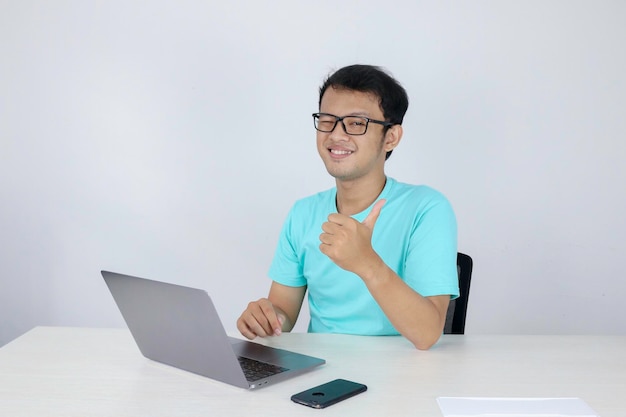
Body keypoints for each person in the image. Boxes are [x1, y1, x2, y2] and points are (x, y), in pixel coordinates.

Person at [237, 64, 459, 350]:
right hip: (319, 373)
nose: (336, 135)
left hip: (403, 376)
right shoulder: (303, 213)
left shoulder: (427, 208)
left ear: (391, 137)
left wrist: (367, 263)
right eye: (327, 120)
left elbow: (427, 334)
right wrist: (266, 318)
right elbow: (284, 311)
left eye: (356, 123)